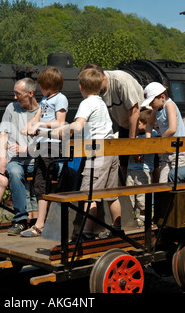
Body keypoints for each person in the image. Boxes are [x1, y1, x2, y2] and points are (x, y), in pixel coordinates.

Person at [51, 67, 121, 240]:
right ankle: (117, 228)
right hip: (111, 150)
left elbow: (78, 125)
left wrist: (61, 131)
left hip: (98, 152)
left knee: (89, 193)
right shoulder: (101, 102)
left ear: (81, 87)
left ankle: (87, 232)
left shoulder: (87, 103)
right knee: (111, 194)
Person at [20, 67, 68, 237]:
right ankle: (41, 223)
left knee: (45, 182)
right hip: (42, 145)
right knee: (40, 184)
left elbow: (60, 122)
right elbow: (37, 116)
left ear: (49, 84)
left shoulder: (60, 99)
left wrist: (40, 125)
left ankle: (43, 223)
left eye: (42, 85)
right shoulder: (45, 99)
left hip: (52, 145)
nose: (40, 88)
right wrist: (29, 124)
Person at [80, 64, 145, 180]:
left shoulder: (121, 81)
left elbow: (135, 111)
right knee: (123, 162)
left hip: (140, 124)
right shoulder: (97, 90)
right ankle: (123, 191)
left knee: (144, 166)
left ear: (104, 78)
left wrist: (132, 142)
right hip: (123, 125)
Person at [0, 78, 40, 236]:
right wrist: (2, 158)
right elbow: (4, 134)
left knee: (47, 173)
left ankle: (42, 220)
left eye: (18, 94)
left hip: (36, 158)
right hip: (16, 160)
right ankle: (20, 219)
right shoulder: (11, 108)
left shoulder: (42, 111)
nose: (15, 97)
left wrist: (27, 149)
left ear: (30, 93)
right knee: (14, 172)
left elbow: (45, 143)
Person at [141, 82, 185, 182]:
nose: (150, 104)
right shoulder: (156, 109)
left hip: (179, 151)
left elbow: (172, 129)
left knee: (177, 181)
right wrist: (148, 138)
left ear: (162, 97)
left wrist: (159, 142)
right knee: (162, 182)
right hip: (167, 151)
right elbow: (149, 124)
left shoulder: (169, 105)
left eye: (152, 101)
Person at [126, 110, 159, 227]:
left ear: (145, 123)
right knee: (129, 193)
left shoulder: (153, 134)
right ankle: (134, 217)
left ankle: (145, 217)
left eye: (138, 123)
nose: (136, 126)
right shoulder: (134, 135)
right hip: (131, 169)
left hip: (143, 169)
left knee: (142, 196)